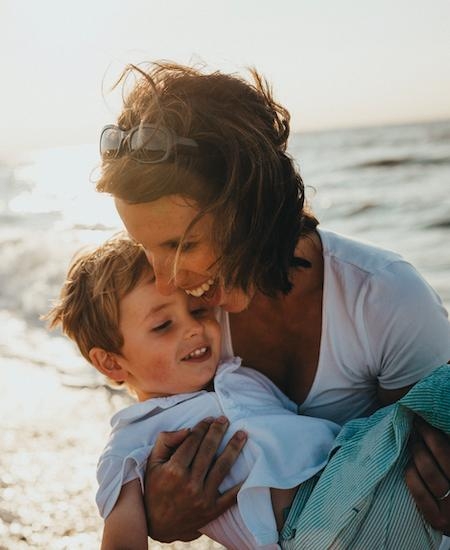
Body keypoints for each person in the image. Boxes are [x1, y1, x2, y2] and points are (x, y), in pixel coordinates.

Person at [95, 62, 450, 545]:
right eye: (146, 248)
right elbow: (159, 444)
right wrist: (162, 516)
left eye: (183, 245)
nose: (166, 278)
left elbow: (421, 464)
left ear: (251, 208)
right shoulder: (186, 322)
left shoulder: (383, 297)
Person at [47, 235, 448, 550]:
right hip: (309, 524)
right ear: (111, 363)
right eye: (162, 326)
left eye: (198, 310)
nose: (194, 328)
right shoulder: (135, 438)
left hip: (359, 480)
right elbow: (121, 540)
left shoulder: (238, 374)